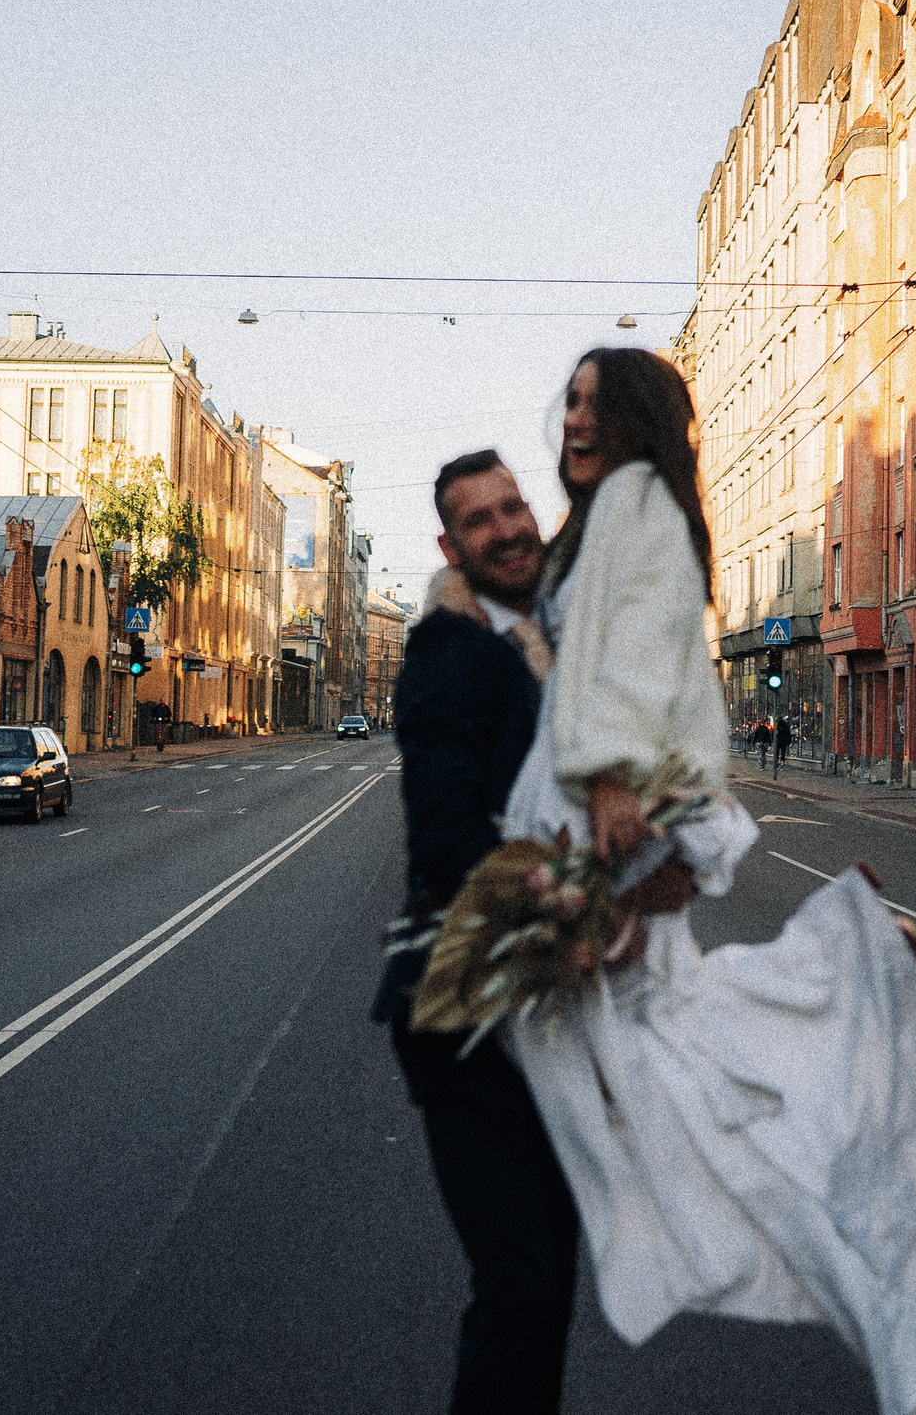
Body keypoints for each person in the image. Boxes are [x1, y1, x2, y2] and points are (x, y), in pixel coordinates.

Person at [501, 347, 916, 1415]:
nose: (571, 418)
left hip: (608, 816)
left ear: (635, 419)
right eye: (567, 399)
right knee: (683, 1101)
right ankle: (844, 966)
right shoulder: (614, 515)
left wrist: (609, 785)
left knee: (687, 1113)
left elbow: (639, 657)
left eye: (592, 402)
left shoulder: (636, 502)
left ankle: (842, 966)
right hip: (593, 810)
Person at [374, 448, 579, 1415]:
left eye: (513, 506)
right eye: (479, 519)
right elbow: (446, 831)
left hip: (529, 994)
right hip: (459, 1008)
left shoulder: (540, 634)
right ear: (451, 546)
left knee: (547, 1272)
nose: (505, 528)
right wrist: (556, 889)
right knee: (522, 1278)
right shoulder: (450, 649)